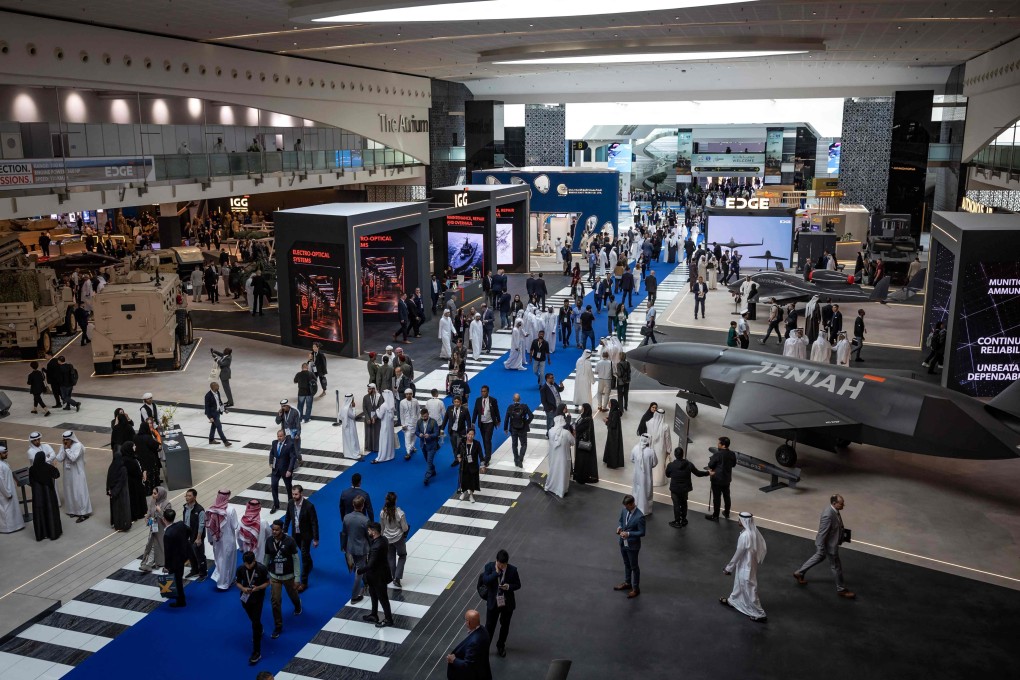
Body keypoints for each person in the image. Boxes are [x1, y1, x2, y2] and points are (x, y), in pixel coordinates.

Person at [794, 494, 856, 599]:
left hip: (830, 542)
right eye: (841, 504)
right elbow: (822, 533)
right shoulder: (828, 515)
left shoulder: (834, 510)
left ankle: (799, 573)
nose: (843, 505)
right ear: (834, 503)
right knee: (836, 566)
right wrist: (820, 547)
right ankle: (841, 589)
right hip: (830, 545)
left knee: (820, 557)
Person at [721, 511, 768, 622]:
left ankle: (759, 613)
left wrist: (728, 568)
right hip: (749, 564)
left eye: (739, 520)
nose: (738, 521)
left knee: (749, 588)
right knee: (738, 584)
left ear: (744, 521)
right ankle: (733, 601)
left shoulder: (745, 536)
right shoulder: (753, 532)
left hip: (745, 566)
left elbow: (738, 554)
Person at [264, 520, 302, 637]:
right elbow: (267, 558)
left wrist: (297, 577)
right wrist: (264, 573)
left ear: (282, 530)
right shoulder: (269, 541)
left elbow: (296, 559)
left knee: (293, 595)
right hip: (274, 576)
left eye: (276, 530)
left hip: (289, 576)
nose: (274, 532)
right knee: (275, 601)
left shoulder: (290, 541)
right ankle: (278, 626)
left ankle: (297, 605)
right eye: (273, 529)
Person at [482, 549, 521, 658]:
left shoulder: (513, 570)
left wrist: (508, 587)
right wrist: (496, 573)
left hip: (507, 603)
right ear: (496, 561)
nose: (501, 566)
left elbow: (518, 585)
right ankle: (485, 648)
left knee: (505, 626)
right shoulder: (489, 567)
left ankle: (501, 645)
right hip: (493, 603)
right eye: (499, 564)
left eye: (503, 565)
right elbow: (485, 580)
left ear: (506, 563)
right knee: (489, 626)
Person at [236, 550, 271, 665]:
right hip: (245, 598)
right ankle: (260, 629)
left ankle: (256, 652)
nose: (248, 566)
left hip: (258, 598)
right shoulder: (241, 569)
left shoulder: (261, 569)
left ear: (254, 561)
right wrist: (243, 589)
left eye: (250, 564)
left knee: (254, 623)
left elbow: (268, 582)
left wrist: (258, 588)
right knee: (254, 620)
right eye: (246, 564)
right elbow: (237, 582)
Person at [358, 521, 394, 627]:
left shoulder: (376, 546)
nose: (368, 532)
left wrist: (359, 571)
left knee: (383, 598)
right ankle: (374, 614)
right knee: (373, 595)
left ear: (373, 532)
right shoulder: (383, 539)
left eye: (369, 530)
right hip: (377, 575)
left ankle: (389, 619)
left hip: (378, 577)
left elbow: (370, 565)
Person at [282, 485, 318, 592]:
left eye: (296, 494)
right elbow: (288, 517)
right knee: (305, 554)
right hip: (295, 535)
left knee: (303, 555)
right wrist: (284, 530)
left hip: (306, 535)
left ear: (301, 493)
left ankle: (304, 582)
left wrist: (316, 539)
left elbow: (314, 523)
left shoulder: (309, 506)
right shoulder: (290, 503)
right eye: (293, 494)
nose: (294, 496)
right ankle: (310, 563)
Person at [665, 447, 709, 528]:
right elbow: (698, 473)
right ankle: (684, 519)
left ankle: (677, 522)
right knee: (684, 503)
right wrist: (708, 473)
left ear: (675, 455)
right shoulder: (689, 464)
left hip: (675, 489)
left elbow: (667, 475)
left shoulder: (671, 465)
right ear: (683, 454)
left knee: (676, 505)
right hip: (685, 488)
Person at [206, 489, 240, 590]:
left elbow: (208, 527)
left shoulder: (211, 509)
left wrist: (210, 540)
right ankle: (226, 582)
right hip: (229, 540)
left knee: (219, 560)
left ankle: (220, 580)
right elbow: (235, 526)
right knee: (229, 561)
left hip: (217, 541)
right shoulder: (230, 510)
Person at [614, 494, 646, 599]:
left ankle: (636, 588)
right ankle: (628, 583)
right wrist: (619, 527)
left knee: (634, 567)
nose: (625, 508)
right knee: (626, 564)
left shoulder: (640, 516)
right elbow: (621, 521)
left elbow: (642, 532)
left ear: (632, 504)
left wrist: (628, 534)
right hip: (623, 543)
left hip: (633, 545)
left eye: (627, 506)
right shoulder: (624, 510)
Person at [446, 610, 492, 680]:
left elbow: (468, 665)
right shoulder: (483, 630)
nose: (465, 622)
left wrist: (454, 660)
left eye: (466, 620)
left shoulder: (474, 643)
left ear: (468, 622)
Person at [57, 431, 91, 521]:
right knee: (69, 491)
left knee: (79, 492)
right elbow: (59, 458)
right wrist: (64, 449)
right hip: (68, 473)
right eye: (64, 439)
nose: (65, 441)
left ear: (71, 439)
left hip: (77, 473)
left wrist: (67, 449)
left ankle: (83, 513)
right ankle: (73, 510)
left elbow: (73, 458)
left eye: (67, 439)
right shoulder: (63, 446)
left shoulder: (78, 446)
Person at [341, 495, 370, 604]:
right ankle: (354, 596)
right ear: (362, 506)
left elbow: (344, 533)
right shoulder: (365, 520)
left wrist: (343, 546)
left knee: (357, 567)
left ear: (353, 505)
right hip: (361, 549)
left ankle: (366, 581)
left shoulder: (346, 517)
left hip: (350, 547)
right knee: (359, 571)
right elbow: (368, 536)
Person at [29, 450, 62, 541]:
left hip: (38, 496)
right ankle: (52, 533)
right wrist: (55, 467)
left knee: (40, 513)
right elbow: (57, 475)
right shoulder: (48, 467)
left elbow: (30, 482)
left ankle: (41, 534)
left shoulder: (32, 469)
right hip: (48, 495)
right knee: (50, 512)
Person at [380, 492, 409, 588]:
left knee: (391, 558)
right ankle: (397, 578)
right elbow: (405, 528)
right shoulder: (400, 513)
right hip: (398, 538)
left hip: (387, 538)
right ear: (395, 501)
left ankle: (393, 577)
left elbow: (382, 527)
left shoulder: (382, 512)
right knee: (402, 555)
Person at [163, 508, 190, 608]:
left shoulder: (167, 534)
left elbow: (167, 552)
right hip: (182, 557)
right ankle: (178, 596)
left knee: (177, 580)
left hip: (174, 561)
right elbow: (189, 531)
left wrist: (166, 566)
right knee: (179, 578)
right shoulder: (180, 525)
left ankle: (180, 600)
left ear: (164, 519)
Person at [139, 486, 171, 572]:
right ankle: (149, 563)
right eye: (153, 493)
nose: (153, 495)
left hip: (162, 529)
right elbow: (149, 512)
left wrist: (160, 511)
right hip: (154, 527)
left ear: (160, 494)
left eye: (155, 493)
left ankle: (153, 563)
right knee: (151, 544)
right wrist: (147, 517)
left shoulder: (167, 504)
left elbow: (168, 518)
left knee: (159, 545)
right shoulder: (153, 501)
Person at [706, 437, 737, 521]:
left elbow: (711, 465)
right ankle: (727, 513)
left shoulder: (717, 454)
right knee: (727, 497)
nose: (717, 444)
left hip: (717, 479)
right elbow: (733, 465)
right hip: (726, 479)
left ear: (723, 445)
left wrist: (712, 460)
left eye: (719, 443)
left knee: (717, 498)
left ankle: (715, 516)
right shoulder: (732, 454)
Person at [544, 416, 573, 498]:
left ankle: (551, 486)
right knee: (562, 473)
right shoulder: (566, 433)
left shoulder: (550, 431)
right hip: (564, 457)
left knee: (553, 471)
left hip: (553, 456)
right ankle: (561, 490)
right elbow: (573, 441)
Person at [472, 386, 500, 469]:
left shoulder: (493, 400)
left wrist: (498, 420)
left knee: (487, 439)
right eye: (482, 391)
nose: (483, 393)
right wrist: (473, 422)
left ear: (488, 392)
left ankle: (487, 458)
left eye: (484, 391)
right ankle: (486, 454)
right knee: (484, 440)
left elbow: (496, 410)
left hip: (490, 422)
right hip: (481, 423)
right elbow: (475, 411)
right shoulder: (478, 400)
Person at [269, 430, 296, 514]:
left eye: (281, 436)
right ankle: (276, 504)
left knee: (288, 487)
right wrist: (270, 462)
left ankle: (291, 504)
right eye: (278, 436)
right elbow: (272, 453)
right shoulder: (274, 443)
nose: (279, 438)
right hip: (275, 470)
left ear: (284, 436)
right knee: (273, 486)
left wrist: (289, 470)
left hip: (285, 470)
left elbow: (293, 458)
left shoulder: (290, 444)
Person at [182, 488, 207, 579]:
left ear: (195, 497)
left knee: (199, 555)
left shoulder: (200, 510)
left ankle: (203, 573)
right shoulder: (185, 507)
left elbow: (201, 524)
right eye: (186, 496)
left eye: (189, 496)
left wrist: (199, 538)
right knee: (190, 554)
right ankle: (194, 570)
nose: (187, 498)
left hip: (196, 536)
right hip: (188, 536)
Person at [502, 393, 532, 469]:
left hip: (513, 429)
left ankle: (516, 459)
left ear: (513, 399)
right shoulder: (524, 406)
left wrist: (505, 428)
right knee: (524, 444)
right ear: (520, 399)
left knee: (514, 445)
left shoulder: (510, 407)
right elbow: (531, 416)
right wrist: (526, 423)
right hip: (522, 428)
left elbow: (506, 418)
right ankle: (520, 459)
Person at [0, 446, 26, 533]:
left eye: (6, 452)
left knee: (11, 510)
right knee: (6, 510)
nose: (6, 454)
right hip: (5, 492)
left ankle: (15, 525)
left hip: (10, 489)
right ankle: (8, 528)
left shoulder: (4, 463)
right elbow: (1, 482)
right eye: (4, 453)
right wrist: (7, 493)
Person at [630, 434, 657, 516]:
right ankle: (645, 509)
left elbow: (631, 459)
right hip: (646, 476)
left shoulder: (635, 448)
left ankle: (635, 506)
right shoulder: (651, 451)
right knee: (646, 492)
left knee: (636, 490)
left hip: (637, 475)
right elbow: (654, 463)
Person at [238, 499, 272, 564]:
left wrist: (241, 548)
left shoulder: (241, 522)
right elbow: (269, 535)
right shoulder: (263, 522)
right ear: (259, 509)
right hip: (261, 552)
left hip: (247, 553)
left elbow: (238, 537)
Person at [106, 450, 132, 532]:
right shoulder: (123, 468)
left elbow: (108, 480)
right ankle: (124, 525)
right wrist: (115, 491)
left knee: (115, 509)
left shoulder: (111, 467)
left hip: (113, 493)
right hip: (122, 493)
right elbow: (121, 482)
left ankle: (116, 524)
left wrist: (110, 491)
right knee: (123, 509)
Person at [456, 428, 482, 503]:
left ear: (474, 435)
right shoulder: (462, 443)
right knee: (463, 479)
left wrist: (482, 464)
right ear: (467, 434)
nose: (470, 436)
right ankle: (463, 492)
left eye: (472, 434)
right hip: (464, 465)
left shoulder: (477, 443)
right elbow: (457, 452)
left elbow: (480, 454)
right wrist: (459, 457)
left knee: (472, 480)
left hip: (473, 465)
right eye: (469, 434)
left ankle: (471, 495)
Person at [275, 399, 301, 465]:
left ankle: (299, 459)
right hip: (285, 433)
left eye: (284, 406)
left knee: (296, 449)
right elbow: (277, 422)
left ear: (288, 406)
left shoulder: (294, 412)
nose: (282, 408)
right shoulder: (281, 412)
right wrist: (279, 415)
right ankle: (292, 463)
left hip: (293, 433)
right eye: (282, 406)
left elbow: (298, 423)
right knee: (287, 449)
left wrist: (298, 433)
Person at [205, 382, 232, 446]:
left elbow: (220, 402)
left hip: (217, 412)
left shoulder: (217, 392)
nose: (219, 387)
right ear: (213, 387)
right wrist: (210, 417)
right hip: (213, 414)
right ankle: (225, 441)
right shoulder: (208, 395)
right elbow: (207, 407)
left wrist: (224, 409)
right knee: (219, 427)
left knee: (214, 426)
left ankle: (211, 440)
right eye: (217, 386)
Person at [374, 390, 396, 464]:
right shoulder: (392, 405)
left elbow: (380, 416)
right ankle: (390, 455)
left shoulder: (383, 405)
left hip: (384, 426)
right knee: (389, 440)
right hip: (390, 426)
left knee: (384, 440)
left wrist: (377, 410)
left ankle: (382, 456)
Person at [362, 384, 383, 456]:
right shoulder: (365, 397)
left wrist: (374, 417)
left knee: (376, 433)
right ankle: (368, 447)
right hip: (368, 419)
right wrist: (368, 418)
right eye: (369, 389)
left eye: (372, 389)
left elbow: (380, 408)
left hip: (376, 419)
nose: (371, 391)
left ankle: (376, 447)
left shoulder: (379, 397)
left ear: (375, 389)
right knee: (368, 433)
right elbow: (364, 408)